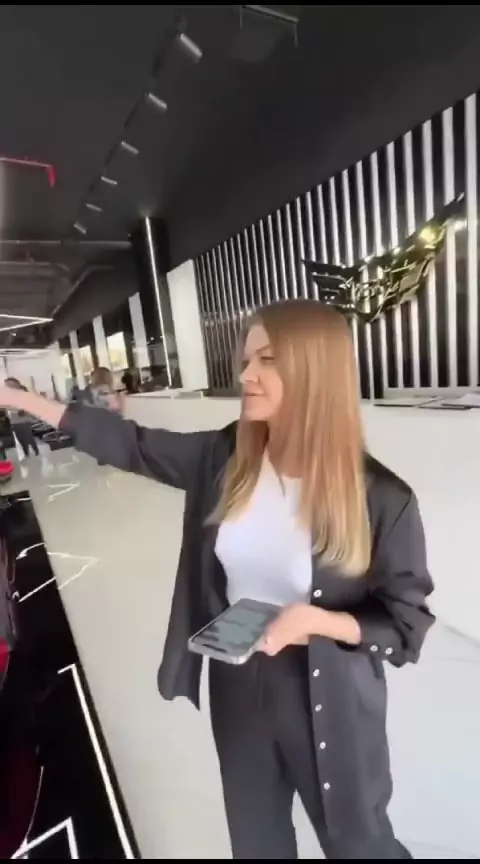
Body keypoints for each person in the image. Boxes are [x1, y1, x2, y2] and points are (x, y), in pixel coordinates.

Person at [0, 300, 434, 859]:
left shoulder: (382, 499)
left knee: (360, 844)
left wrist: (316, 622)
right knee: (255, 839)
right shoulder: (225, 458)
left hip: (330, 692)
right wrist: (18, 398)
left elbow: (406, 626)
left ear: (316, 371)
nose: (246, 374)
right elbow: (132, 444)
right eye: (246, 359)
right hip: (238, 679)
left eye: (268, 360)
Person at [4, 379, 40, 458]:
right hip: (15, 422)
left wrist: (26, 413)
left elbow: (27, 409)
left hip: (23, 422)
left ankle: (36, 451)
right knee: (21, 440)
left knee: (29, 438)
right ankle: (27, 453)